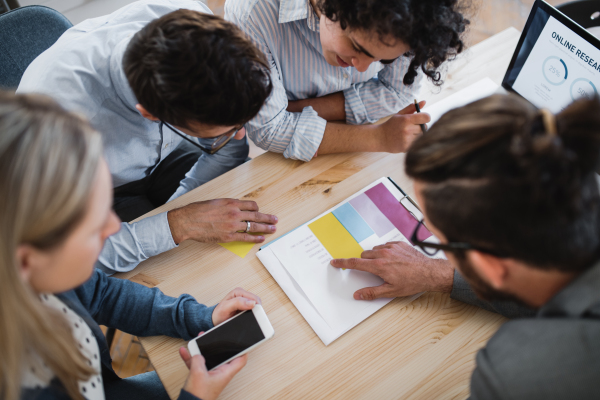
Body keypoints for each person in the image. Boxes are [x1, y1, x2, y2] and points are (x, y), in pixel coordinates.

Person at [331, 94, 600, 398]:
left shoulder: (516, 376)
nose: (437, 250)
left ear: (491, 264)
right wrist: (438, 274)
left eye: (438, 241)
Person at [0, 92, 262, 400]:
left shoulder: (43, 274)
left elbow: (102, 294)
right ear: (28, 260)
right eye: (92, 224)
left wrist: (200, 317)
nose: (114, 227)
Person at [17, 0, 278, 275]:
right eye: (226, 130)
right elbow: (56, 260)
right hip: (85, 196)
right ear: (151, 114)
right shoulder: (49, 130)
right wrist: (178, 223)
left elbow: (230, 151)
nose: (240, 135)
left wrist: (178, 208)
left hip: (163, 157)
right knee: (178, 273)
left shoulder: (192, 18)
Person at [225, 0, 469, 161]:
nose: (361, 66)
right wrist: (379, 138)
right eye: (356, 46)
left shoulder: (415, 14)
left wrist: (288, 112)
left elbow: (397, 92)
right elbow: (268, 131)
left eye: (381, 60)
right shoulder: (252, 13)